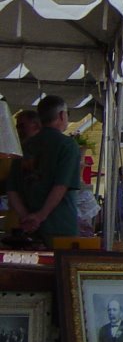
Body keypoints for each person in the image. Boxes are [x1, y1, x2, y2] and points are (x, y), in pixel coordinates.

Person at [8, 96, 80, 242]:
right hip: (60, 225)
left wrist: (26, 217)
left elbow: (12, 189)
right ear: (61, 115)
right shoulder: (67, 145)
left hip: (27, 228)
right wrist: (40, 216)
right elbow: (61, 185)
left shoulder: (24, 147)